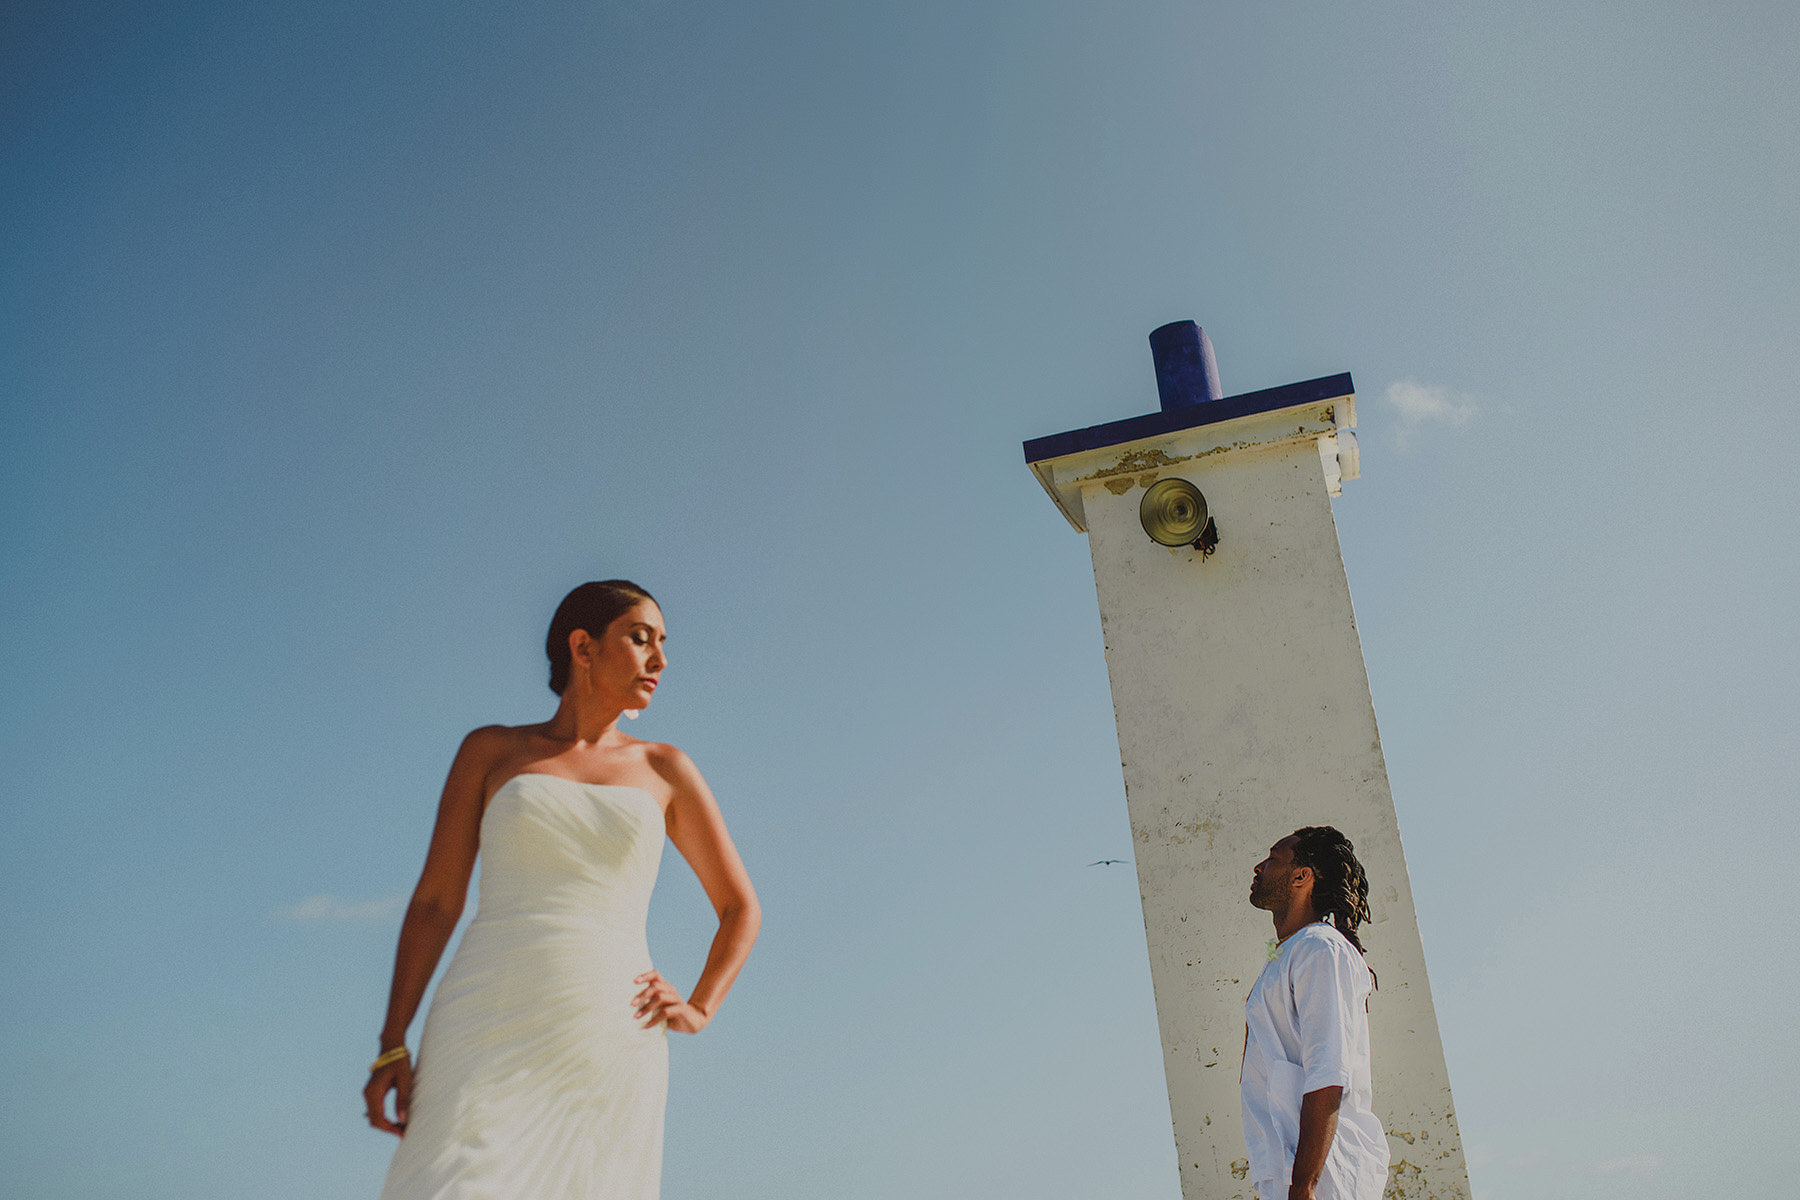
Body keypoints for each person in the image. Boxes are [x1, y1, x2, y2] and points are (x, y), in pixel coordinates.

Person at [363, 580, 760, 1199]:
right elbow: (435, 903)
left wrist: (701, 1007)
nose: (660, 660)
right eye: (640, 638)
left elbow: (740, 908)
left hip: (608, 1027)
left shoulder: (666, 770)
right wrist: (392, 1044)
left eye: (663, 644)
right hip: (484, 1019)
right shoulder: (491, 751)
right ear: (583, 646)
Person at [1242, 826, 1390, 1200]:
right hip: (1285, 1170)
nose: (1259, 867)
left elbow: (1328, 1072)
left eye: (1273, 858)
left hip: (1326, 1177)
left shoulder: (1321, 950)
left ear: (1301, 876)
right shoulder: (1289, 953)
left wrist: (1305, 1185)